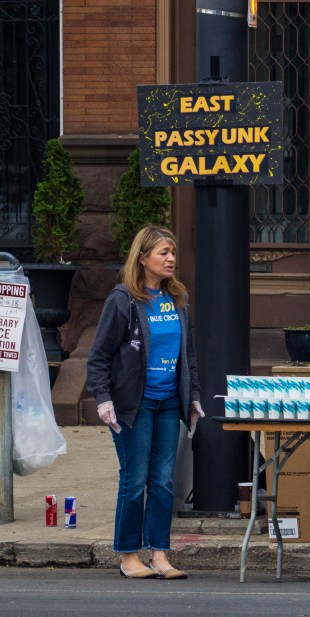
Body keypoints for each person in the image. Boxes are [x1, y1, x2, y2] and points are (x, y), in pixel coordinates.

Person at [86, 226, 204, 580]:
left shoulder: (177, 298)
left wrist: (193, 396)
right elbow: (99, 356)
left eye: (172, 252)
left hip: (168, 403)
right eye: (163, 253)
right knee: (135, 480)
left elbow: (188, 355)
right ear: (142, 258)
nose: (170, 259)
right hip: (133, 406)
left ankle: (159, 555)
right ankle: (128, 556)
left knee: (164, 481)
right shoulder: (123, 299)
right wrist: (103, 399)